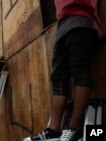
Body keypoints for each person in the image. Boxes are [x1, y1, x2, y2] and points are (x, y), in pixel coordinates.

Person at [24, 0, 103, 141]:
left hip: (81, 20)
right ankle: (53, 129)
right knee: (58, 80)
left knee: (80, 75)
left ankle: (73, 127)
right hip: (62, 27)